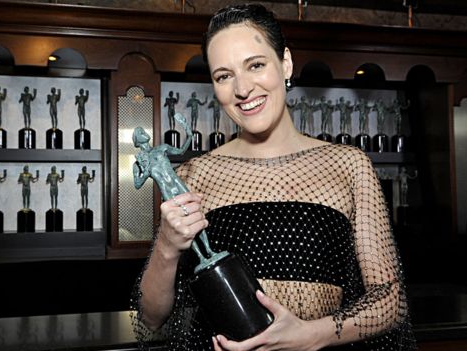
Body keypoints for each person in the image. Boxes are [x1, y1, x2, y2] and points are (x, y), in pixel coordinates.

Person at [131, 4, 416, 351]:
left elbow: (390, 301)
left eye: (255, 65)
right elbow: (150, 318)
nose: (242, 88)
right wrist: (166, 245)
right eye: (224, 76)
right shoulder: (192, 175)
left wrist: (311, 336)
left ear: (285, 64)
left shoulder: (349, 165)